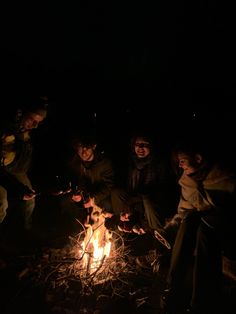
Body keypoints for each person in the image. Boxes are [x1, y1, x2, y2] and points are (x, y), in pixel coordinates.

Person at [161, 140, 236, 314]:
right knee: (189, 219)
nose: (180, 164)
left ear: (198, 158)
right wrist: (169, 230)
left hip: (227, 233)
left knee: (204, 226)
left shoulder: (226, 179)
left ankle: (200, 302)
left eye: (183, 160)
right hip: (204, 228)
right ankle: (173, 289)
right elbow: (184, 210)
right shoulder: (188, 182)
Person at [58, 134, 127, 231]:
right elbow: (76, 181)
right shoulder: (75, 163)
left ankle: (110, 232)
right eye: (80, 148)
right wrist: (76, 194)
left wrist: (93, 199)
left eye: (87, 148)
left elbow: (109, 186)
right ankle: (74, 232)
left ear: (93, 147)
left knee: (105, 207)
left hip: (102, 197)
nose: (83, 152)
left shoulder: (104, 163)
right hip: (86, 196)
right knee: (66, 202)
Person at [0, 97, 48, 231]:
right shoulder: (6, 127)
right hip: (3, 170)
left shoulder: (25, 132)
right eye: (33, 120)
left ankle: (24, 231)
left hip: (14, 169)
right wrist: (17, 190)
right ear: (22, 113)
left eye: (38, 122)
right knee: (1, 201)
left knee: (30, 198)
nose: (35, 125)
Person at [119, 132, 178, 239]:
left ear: (151, 146)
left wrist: (134, 200)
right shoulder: (133, 162)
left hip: (154, 202)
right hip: (137, 200)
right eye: (138, 144)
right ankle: (127, 222)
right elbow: (130, 188)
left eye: (145, 144)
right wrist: (127, 207)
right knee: (117, 193)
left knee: (146, 199)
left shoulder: (159, 163)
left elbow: (159, 191)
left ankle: (157, 231)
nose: (140, 147)